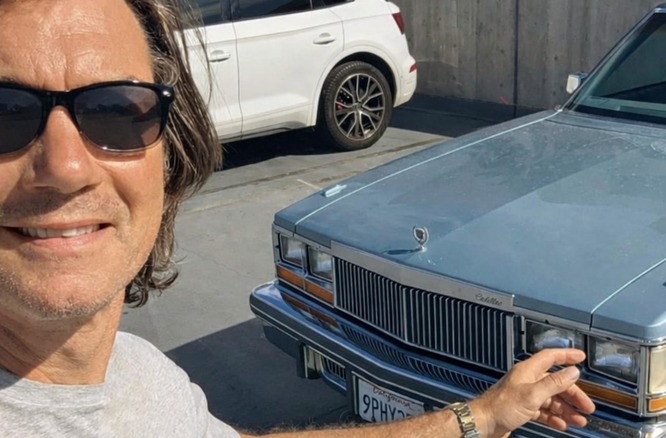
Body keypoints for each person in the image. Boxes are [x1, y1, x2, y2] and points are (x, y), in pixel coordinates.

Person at [0, 0, 595, 436]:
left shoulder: (142, 376)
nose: (67, 165)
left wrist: (479, 417)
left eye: (115, 110)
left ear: (168, 154)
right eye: (5, 112)